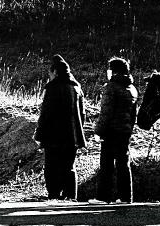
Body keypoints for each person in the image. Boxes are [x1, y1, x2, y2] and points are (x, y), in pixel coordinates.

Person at [34, 54, 86, 200]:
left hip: (54, 136)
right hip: (73, 136)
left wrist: (39, 135)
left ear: (55, 72)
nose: (49, 76)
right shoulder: (76, 88)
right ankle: (71, 196)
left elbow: (46, 114)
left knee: (52, 167)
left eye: (50, 73)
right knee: (70, 167)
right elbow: (82, 114)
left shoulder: (53, 88)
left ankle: (54, 196)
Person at [94, 57, 138, 203]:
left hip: (111, 131)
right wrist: (128, 129)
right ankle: (126, 197)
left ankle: (103, 197)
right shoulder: (132, 89)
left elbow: (105, 113)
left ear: (112, 71)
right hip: (124, 132)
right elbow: (133, 115)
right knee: (123, 164)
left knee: (106, 164)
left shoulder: (110, 87)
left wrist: (98, 131)